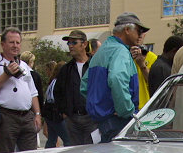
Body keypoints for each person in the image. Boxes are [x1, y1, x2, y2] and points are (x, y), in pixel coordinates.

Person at [81, 12, 149, 142]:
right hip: (117, 122)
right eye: (139, 30)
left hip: (102, 121)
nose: (140, 35)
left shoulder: (103, 50)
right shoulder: (120, 51)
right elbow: (117, 79)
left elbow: (84, 85)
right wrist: (125, 110)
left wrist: (100, 105)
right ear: (127, 30)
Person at [0, 27, 42, 153]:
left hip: (26, 117)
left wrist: (37, 114)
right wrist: (6, 75)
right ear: (3, 44)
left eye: (18, 42)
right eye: (11, 42)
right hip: (5, 117)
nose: (15, 46)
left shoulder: (24, 65)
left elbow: (33, 92)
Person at [55, 29, 96, 145]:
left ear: (84, 44)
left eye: (74, 42)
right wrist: (64, 113)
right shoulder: (66, 69)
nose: (70, 46)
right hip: (72, 119)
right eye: (69, 43)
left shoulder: (95, 65)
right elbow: (58, 92)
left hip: (92, 118)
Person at [42, 61, 70, 148]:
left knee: (52, 138)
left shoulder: (52, 81)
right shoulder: (59, 82)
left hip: (49, 114)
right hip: (56, 115)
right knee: (68, 139)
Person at [132, 35, 157, 109]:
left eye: (141, 33)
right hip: (128, 106)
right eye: (137, 32)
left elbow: (152, 82)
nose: (139, 36)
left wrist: (142, 64)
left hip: (145, 105)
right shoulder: (124, 56)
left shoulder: (152, 57)